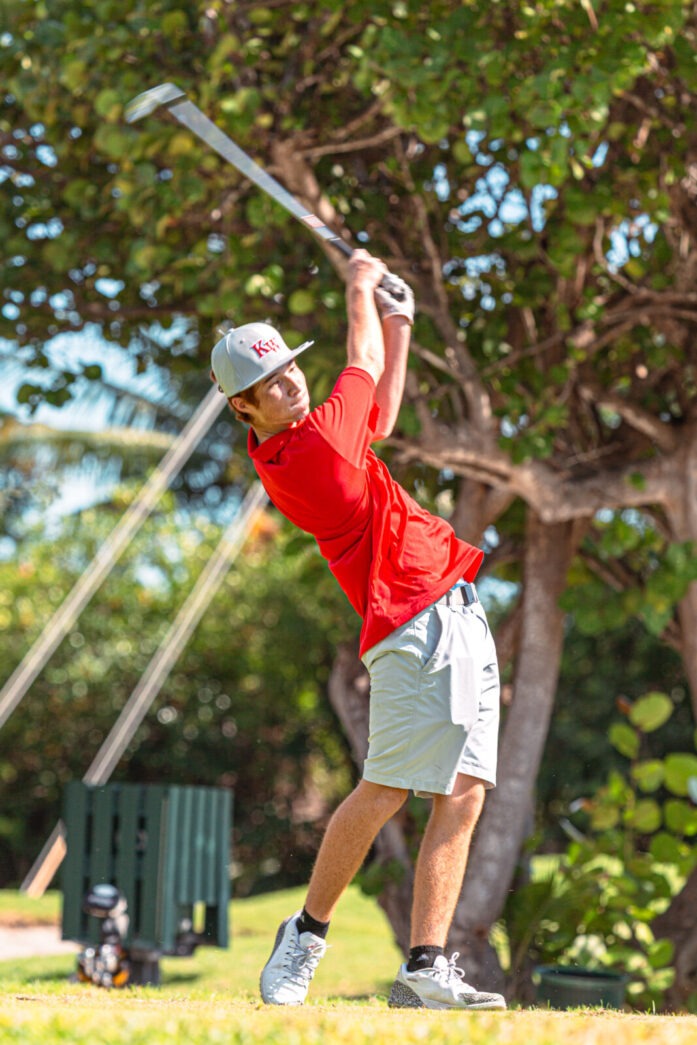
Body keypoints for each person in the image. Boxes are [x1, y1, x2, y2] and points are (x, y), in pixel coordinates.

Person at [210, 250, 505, 1011]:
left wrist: (398, 318)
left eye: (287, 368)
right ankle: (304, 932)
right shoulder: (306, 450)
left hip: (456, 606)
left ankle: (426, 964)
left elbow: (382, 409)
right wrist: (359, 285)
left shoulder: (318, 431)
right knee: (387, 787)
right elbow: (362, 357)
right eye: (267, 385)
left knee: (464, 791)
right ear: (243, 410)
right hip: (411, 619)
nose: (288, 383)